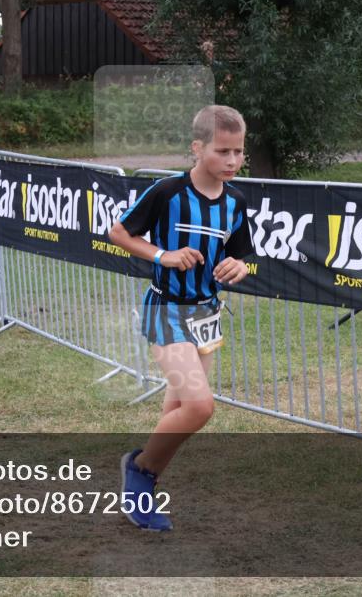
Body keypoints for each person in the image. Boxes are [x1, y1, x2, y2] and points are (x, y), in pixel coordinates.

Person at [107, 104, 254, 531]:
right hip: (166, 309)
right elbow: (119, 232)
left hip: (207, 313)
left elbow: (242, 254)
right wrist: (163, 255)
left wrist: (240, 267)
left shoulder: (236, 201)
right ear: (197, 148)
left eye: (238, 152)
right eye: (222, 151)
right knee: (200, 406)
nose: (231, 161)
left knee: (177, 409)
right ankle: (139, 471)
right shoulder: (167, 192)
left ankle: (143, 487)